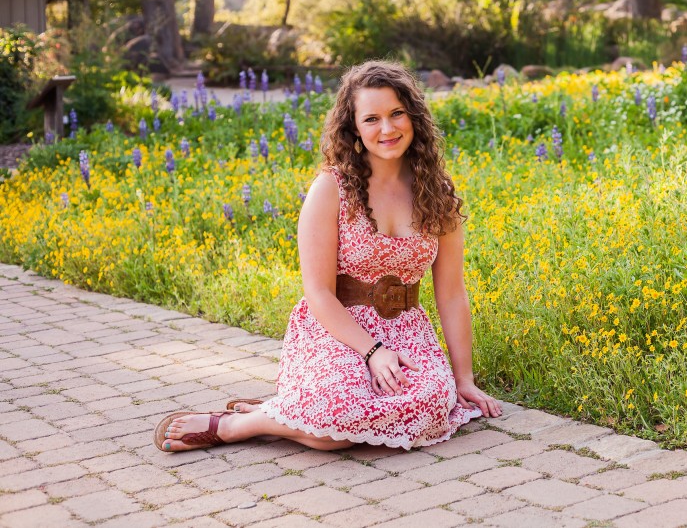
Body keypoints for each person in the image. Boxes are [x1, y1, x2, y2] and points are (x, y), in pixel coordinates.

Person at [154, 60, 502, 452]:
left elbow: (452, 293)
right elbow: (318, 292)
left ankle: (281, 414)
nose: (387, 129)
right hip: (336, 326)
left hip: (406, 331)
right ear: (354, 127)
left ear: (414, 116)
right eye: (371, 119)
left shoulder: (436, 193)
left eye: (397, 114)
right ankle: (236, 426)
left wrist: (463, 378)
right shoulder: (331, 188)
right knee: (333, 426)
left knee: (432, 405)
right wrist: (373, 352)